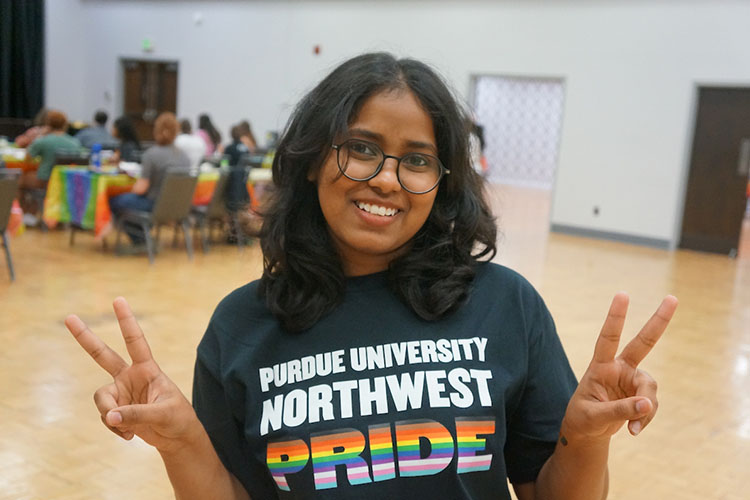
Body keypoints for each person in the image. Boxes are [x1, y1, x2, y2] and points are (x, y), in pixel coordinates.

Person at [65, 53, 678, 500]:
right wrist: (180, 442)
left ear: (441, 186)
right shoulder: (241, 326)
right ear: (310, 160)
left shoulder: (503, 305)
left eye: (417, 160)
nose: (386, 178)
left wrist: (584, 435)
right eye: (361, 148)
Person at [107, 112, 189, 245]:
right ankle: (142, 234)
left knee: (115, 201)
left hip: (153, 205)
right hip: (178, 207)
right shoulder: (185, 157)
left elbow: (140, 189)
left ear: (156, 131)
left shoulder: (151, 155)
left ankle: (139, 238)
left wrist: (126, 190)